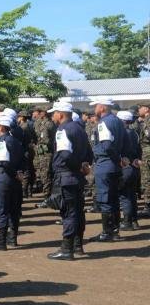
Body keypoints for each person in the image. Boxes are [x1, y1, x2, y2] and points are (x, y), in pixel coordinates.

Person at [46, 102, 93, 260]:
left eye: (54, 113)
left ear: (61, 114)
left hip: (67, 176)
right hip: (76, 177)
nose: (52, 116)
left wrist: (76, 166)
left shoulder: (63, 129)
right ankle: (78, 246)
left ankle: (67, 250)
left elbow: (65, 155)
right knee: (78, 212)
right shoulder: (79, 128)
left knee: (69, 213)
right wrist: (83, 165)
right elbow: (89, 152)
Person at [89, 99, 127, 242]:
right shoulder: (117, 121)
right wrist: (121, 159)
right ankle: (115, 231)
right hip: (115, 165)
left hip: (106, 163)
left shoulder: (104, 122)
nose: (94, 109)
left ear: (102, 107)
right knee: (114, 199)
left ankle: (107, 233)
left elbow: (107, 145)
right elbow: (124, 142)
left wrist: (116, 158)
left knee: (105, 199)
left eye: (96, 106)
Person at [0, 115, 25, 251]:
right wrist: (19, 173)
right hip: (15, 179)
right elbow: (22, 160)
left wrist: (14, 173)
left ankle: (1, 241)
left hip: (4, 177)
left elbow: (3, 162)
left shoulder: (2, 141)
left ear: (2, 127)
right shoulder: (15, 141)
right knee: (14, 209)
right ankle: (12, 238)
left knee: (1, 209)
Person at [116, 110, 141, 231]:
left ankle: (127, 222)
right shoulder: (134, 133)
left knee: (125, 196)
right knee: (132, 195)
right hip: (135, 167)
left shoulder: (121, 134)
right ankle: (134, 221)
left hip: (125, 167)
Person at [33, 107, 57, 207]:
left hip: (47, 153)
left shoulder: (49, 123)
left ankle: (47, 199)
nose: (38, 114)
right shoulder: (41, 122)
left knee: (46, 176)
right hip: (41, 153)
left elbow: (47, 140)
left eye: (40, 112)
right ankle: (47, 198)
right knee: (43, 175)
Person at [138, 103, 150, 217]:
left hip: (147, 153)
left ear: (146, 109)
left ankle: (148, 206)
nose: (138, 110)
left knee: (147, 179)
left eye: (140, 108)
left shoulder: (148, 121)